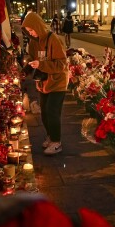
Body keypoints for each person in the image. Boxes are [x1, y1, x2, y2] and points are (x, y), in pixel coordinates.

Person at [22, 12, 69, 154]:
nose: (31, 33)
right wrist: (26, 69)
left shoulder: (53, 39)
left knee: (52, 112)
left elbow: (61, 64)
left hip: (57, 83)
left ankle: (56, 142)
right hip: (43, 83)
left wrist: (41, 64)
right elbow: (32, 57)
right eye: (28, 31)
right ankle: (51, 136)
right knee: (44, 113)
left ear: (38, 26)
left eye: (32, 30)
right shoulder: (33, 42)